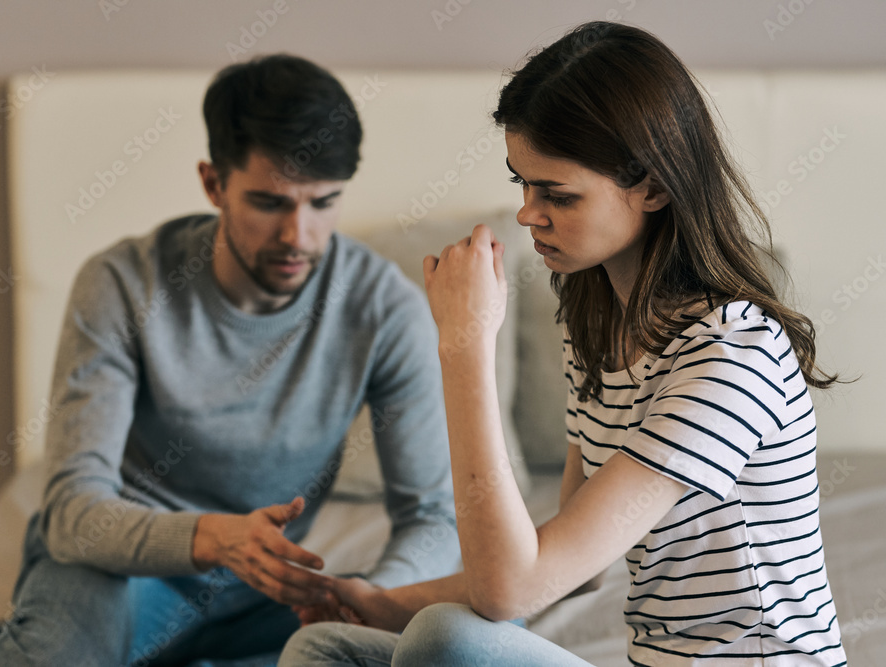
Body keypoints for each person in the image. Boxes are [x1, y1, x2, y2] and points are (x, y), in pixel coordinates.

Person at [279, 21, 849, 667]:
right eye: (522, 183)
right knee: (324, 646)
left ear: (655, 188)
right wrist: (381, 602)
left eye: (557, 194)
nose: (527, 213)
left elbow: (510, 589)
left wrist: (464, 347)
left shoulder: (731, 357)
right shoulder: (602, 335)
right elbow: (567, 569)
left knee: (443, 638)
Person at [0, 54, 461, 667]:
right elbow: (71, 514)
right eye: (270, 203)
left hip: (266, 593)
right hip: (119, 570)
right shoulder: (122, 284)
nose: (300, 236)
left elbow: (431, 516)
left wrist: (372, 598)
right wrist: (214, 538)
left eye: (323, 202)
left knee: (426, 644)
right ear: (213, 184)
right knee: (57, 655)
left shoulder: (384, 307)